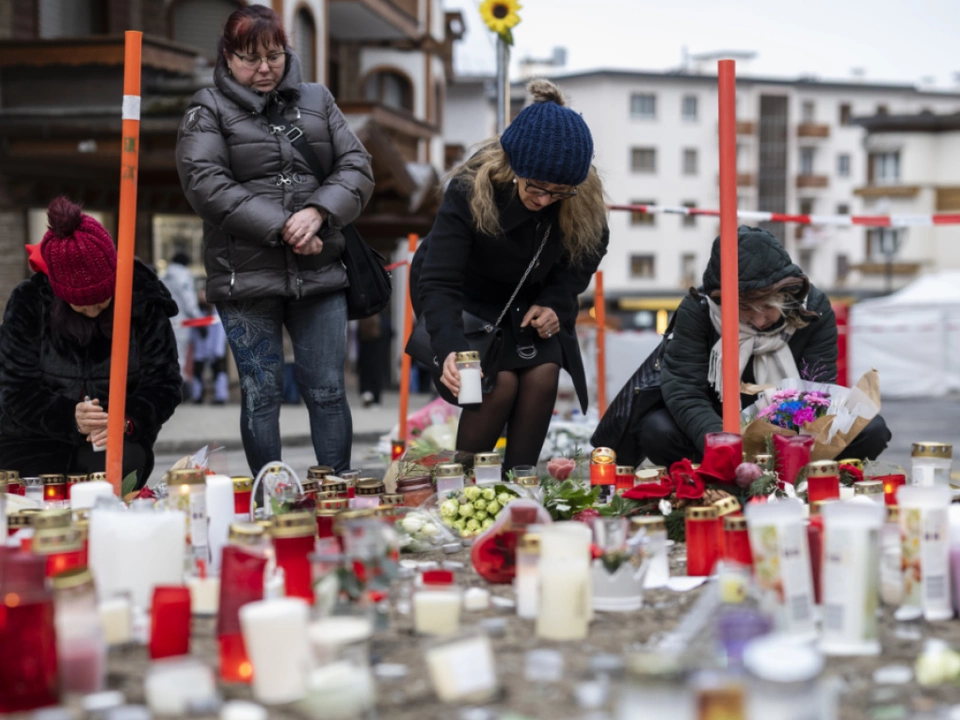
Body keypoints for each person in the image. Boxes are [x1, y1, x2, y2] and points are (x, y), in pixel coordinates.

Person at [175, 5, 374, 475]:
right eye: (249, 58)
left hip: (320, 269)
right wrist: (286, 227)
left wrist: (318, 212)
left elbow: (357, 166)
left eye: (274, 55)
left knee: (327, 390)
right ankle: (270, 498)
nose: (264, 68)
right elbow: (206, 184)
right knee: (261, 394)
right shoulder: (207, 109)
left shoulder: (318, 99)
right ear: (227, 57)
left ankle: (335, 494)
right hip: (244, 277)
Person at [410, 79, 608, 471]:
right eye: (537, 187)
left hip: (529, 300)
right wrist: (450, 348)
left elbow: (590, 250)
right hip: (467, 301)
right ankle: (462, 487)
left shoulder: (579, 194)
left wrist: (555, 302)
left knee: (543, 372)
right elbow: (439, 280)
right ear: (514, 166)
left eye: (559, 192)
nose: (545, 199)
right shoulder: (471, 189)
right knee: (495, 383)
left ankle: (520, 485)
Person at [611, 225, 890, 467]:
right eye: (744, 309)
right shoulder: (698, 311)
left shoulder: (814, 311)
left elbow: (816, 391)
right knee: (656, 430)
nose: (758, 320)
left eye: (768, 307)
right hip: (716, 427)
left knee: (872, 429)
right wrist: (724, 443)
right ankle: (712, 476)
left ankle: (809, 474)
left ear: (787, 294)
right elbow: (684, 391)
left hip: (793, 427)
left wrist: (786, 442)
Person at [0, 197, 182, 488]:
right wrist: (69, 417)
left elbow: (165, 385)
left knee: (114, 477)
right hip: (32, 439)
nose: (93, 311)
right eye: (80, 305)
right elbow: (15, 391)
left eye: (101, 301)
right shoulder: (29, 303)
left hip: (114, 442)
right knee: (33, 493)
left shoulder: (144, 302)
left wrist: (124, 420)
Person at [161, 251, 200, 385]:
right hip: (182, 321)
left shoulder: (164, 275)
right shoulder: (183, 276)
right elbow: (189, 300)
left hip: (166, 321)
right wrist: (198, 318)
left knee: (166, 354)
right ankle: (177, 386)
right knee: (180, 356)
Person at [190, 297, 229, 405]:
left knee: (219, 372)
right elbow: (193, 332)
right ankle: (197, 396)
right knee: (197, 372)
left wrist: (218, 350)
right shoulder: (199, 312)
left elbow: (221, 333)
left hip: (215, 348)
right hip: (200, 348)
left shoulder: (218, 313)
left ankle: (220, 397)